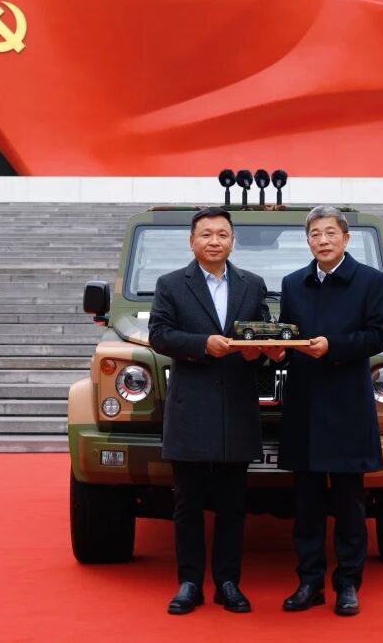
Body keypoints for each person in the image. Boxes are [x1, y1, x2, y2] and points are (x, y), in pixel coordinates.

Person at [147, 206, 274, 615]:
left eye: (222, 234)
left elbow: (265, 335)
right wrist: (203, 344)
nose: (214, 241)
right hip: (191, 408)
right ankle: (188, 583)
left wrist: (260, 353)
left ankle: (227, 583)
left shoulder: (252, 284)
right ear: (192, 241)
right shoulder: (170, 284)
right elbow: (159, 334)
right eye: (206, 234)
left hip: (237, 407)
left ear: (232, 240)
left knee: (233, 505)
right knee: (187, 504)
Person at [276, 205, 383, 617]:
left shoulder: (371, 281)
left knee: (348, 502)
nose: (323, 240)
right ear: (307, 241)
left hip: (347, 404)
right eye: (315, 234)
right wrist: (277, 350)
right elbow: (288, 333)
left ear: (346, 238)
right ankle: (309, 582)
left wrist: (333, 346)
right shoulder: (293, 283)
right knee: (306, 504)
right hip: (304, 404)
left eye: (330, 232)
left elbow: (379, 334)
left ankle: (347, 584)